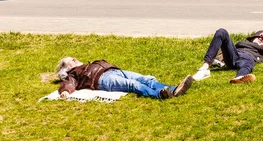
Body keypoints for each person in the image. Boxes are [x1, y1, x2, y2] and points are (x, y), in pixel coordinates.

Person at [56, 57, 193, 99]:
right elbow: (69, 84)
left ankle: (174, 89)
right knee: (132, 84)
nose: (74, 59)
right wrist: (66, 91)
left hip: (114, 71)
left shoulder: (86, 65)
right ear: (66, 68)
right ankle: (160, 94)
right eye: (70, 61)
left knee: (146, 78)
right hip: (102, 80)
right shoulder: (73, 74)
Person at [193, 28, 263, 84]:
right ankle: (204, 69)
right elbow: (239, 44)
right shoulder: (245, 42)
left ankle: (239, 78)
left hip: (248, 59)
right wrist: (261, 47)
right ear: (253, 37)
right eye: (260, 36)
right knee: (222, 31)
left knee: (249, 62)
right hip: (235, 55)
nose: (262, 39)